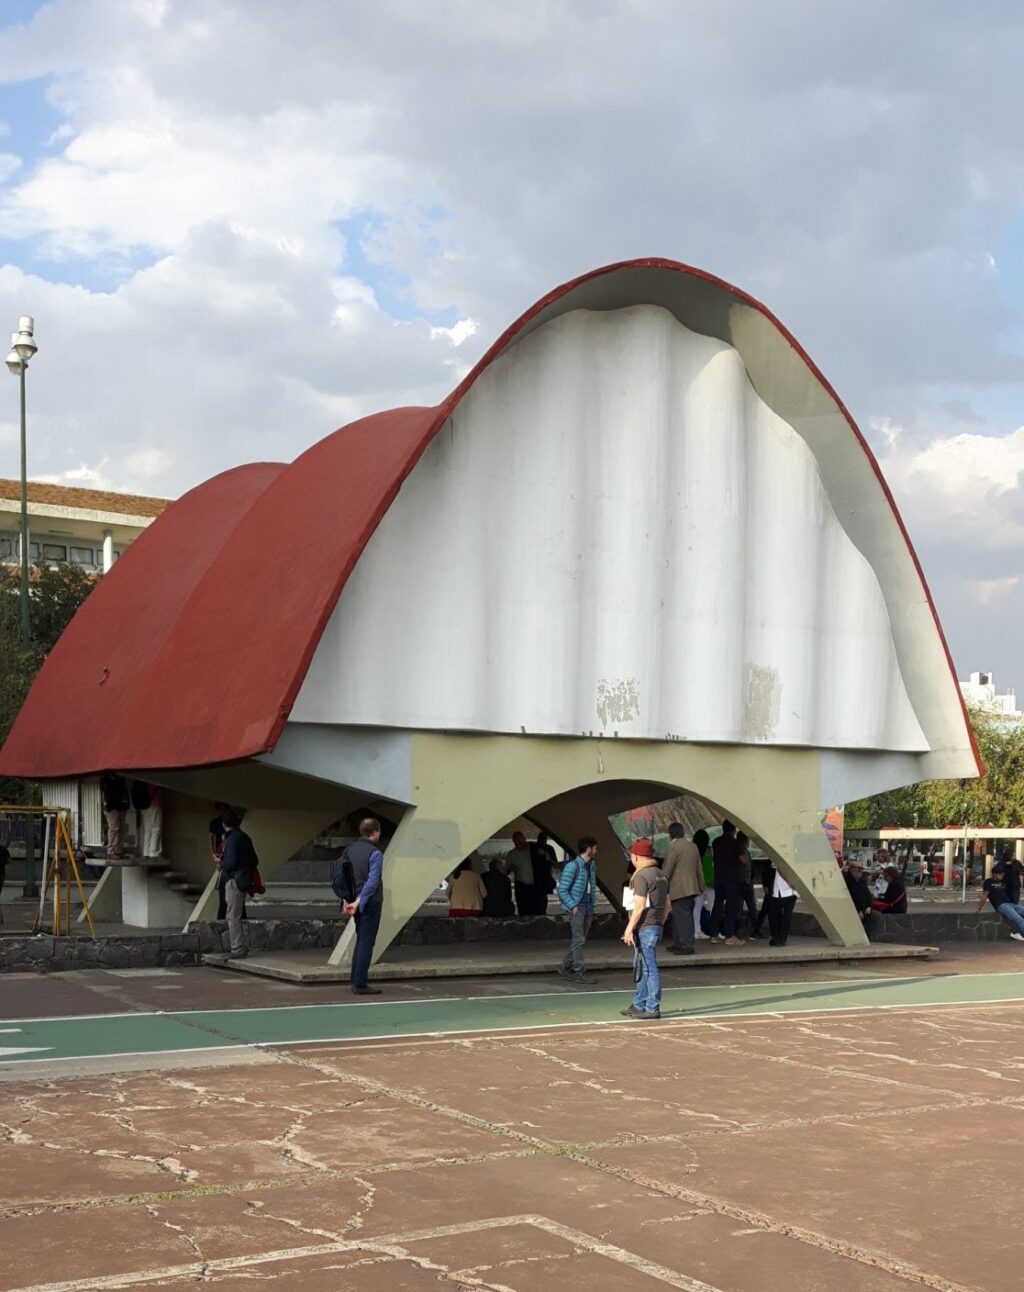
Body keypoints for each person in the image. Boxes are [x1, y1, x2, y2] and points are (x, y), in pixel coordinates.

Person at [620, 839, 670, 1020]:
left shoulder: (641, 876)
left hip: (645, 927)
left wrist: (629, 928)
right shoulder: (660, 874)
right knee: (641, 966)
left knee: (648, 967)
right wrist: (660, 922)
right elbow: (668, 905)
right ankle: (639, 1004)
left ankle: (652, 1007)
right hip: (654, 925)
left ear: (635, 857)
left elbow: (639, 906)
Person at [343, 817, 385, 994]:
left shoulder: (350, 850)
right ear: (375, 832)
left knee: (361, 939)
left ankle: (355, 978)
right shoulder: (375, 853)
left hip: (353, 901)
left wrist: (347, 900)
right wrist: (360, 901)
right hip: (369, 903)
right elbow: (372, 882)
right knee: (367, 942)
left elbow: (342, 877)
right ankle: (360, 983)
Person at [557, 836, 599, 984]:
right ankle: (578, 970)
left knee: (580, 940)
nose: (596, 851)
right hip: (578, 907)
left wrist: (592, 904)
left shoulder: (591, 865)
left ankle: (566, 966)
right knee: (579, 940)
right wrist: (573, 906)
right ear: (588, 849)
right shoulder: (573, 866)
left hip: (587, 907)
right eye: (595, 848)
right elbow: (562, 889)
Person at [219, 809, 258, 959]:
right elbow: (255, 860)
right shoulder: (245, 837)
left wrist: (221, 863)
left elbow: (231, 862)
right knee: (236, 913)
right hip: (244, 880)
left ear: (224, 824)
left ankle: (237, 948)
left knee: (232, 915)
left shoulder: (231, 840)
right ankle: (239, 946)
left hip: (233, 880)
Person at [661, 823, 703, 955]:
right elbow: (699, 868)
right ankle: (678, 943)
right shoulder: (693, 846)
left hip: (679, 888)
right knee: (680, 916)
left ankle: (687, 945)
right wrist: (701, 886)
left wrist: (661, 881)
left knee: (682, 917)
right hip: (692, 887)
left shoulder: (673, 847)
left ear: (670, 834)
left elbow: (667, 869)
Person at [707, 820, 744, 945]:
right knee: (731, 907)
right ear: (733, 830)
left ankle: (713, 934)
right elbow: (742, 859)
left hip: (719, 878)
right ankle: (730, 935)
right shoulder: (736, 843)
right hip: (732, 879)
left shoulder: (716, 842)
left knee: (717, 905)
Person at [976, 861, 1024, 941]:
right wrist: (979, 908)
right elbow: (984, 895)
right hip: (1001, 905)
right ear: (994, 874)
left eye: (1003, 874)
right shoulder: (989, 882)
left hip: (1010, 903)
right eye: (1000, 874)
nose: (1002, 876)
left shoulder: (1004, 881)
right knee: (1018, 918)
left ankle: (1017, 932)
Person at [504, 831, 536, 916]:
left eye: (521, 842)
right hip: (521, 885)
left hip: (535, 885)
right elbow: (505, 872)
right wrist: (510, 868)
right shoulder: (512, 854)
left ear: (525, 839)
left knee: (537, 910)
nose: (519, 844)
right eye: (517, 842)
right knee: (523, 910)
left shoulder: (533, 850)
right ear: (514, 842)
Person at [100, 772, 130, 859]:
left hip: (120, 806)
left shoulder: (120, 777)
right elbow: (106, 791)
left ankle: (118, 851)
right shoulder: (107, 777)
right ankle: (111, 851)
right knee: (114, 828)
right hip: (112, 807)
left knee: (121, 829)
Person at [736, 831, 760, 936]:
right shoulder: (739, 850)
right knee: (745, 907)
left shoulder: (744, 850)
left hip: (746, 882)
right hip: (742, 883)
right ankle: (751, 930)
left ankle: (753, 929)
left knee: (748, 907)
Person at [132, 780, 163, 859]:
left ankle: (146, 852)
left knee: (147, 829)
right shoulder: (154, 779)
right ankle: (153, 852)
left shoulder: (141, 779)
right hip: (155, 804)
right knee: (156, 828)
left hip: (144, 806)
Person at [767, 865, 798, 946]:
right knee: (786, 916)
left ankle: (777, 938)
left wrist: (789, 882)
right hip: (789, 890)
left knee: (775, 915)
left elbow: (780, 868)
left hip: (782, 890)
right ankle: (782, 938)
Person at [530, 832, 558, 915]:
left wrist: (546, 856)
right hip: (537, 877)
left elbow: (555, 864)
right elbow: (555, 864)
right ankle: (540, 914)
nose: (543, 840)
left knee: (541, 899)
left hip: (542, 877)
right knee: (539, 899)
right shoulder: (533, 847)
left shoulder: (548, 849)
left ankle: (541, 914)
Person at [844, 860, 874, 935]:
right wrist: (858, 910)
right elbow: (850, 898)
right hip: (853, 908)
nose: (861, 871)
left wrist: (869, 906)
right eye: (858, 868)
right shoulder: (847, 881)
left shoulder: (861, 881)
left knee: (871, 917)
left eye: (861, 869)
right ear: (852, 869)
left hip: (864, 908)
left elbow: (868, 895)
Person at [693, 828, 712, 940]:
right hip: (709, 882)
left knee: (697, 907)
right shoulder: (708, 851)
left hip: (697, 882)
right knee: (713, 906)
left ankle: (697, 930)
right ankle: (715, 930)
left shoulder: (693, 851)